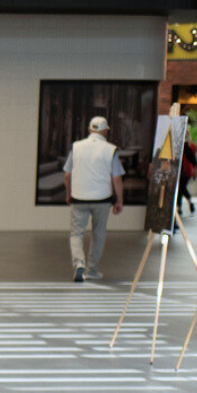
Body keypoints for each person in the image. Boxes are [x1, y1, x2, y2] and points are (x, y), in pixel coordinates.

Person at [65, 115, 124, 282]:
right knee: (98, 234)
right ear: (105, 131)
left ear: (89, 129)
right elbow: (117, 178)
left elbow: (67, 175)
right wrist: (119, 200)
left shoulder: (76, 147)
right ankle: (92, 270)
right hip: (102, 199)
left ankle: (79, 264)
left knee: (76, 233)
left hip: (79, 198)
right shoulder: (110, 149)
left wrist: (69, 194)